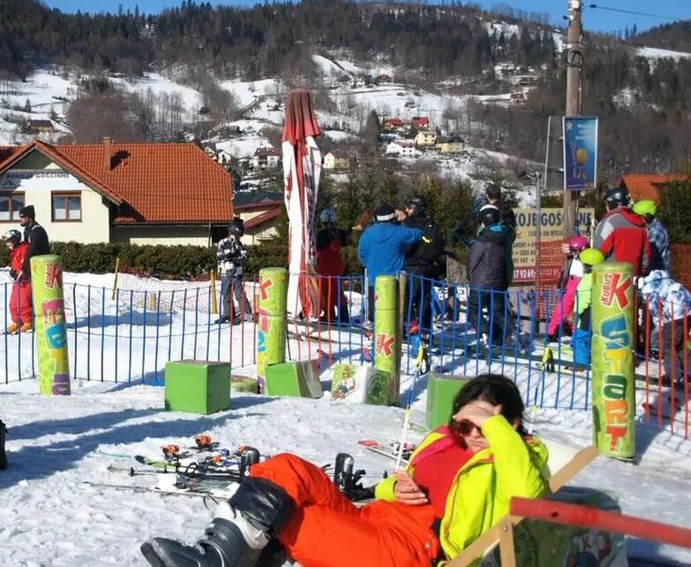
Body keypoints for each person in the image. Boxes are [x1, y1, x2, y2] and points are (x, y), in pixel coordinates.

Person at [140, 374, 548, 567]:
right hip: (374, 517)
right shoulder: (443, 438)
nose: (471, 433)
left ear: (510, 423)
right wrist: (393, 490)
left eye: (485, 424)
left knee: (299, 520)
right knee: (287, 469)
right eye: (465, 423)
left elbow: (528, 497)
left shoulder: (522, 455)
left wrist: (494, 429)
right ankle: (214, 557)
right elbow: (391, 486)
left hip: (413, 547)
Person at [357, 204, 422, 325]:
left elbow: (362, 257)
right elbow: (418, 234)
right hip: (397, 282)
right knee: (400, 316)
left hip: (374, 282)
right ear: (393, 217)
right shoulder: (399, 232)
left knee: (377, 318)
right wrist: (406, 219)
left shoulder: (366, 235)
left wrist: (371, 265)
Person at [637, 268, 691, 390]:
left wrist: (661, 327)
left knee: (667, 344)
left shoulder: (649, 288)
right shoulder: (669, 282)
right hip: (688, 312)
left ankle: (673, 375)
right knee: (681, 344)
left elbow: (655, 310)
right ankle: (688, 371)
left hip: (675, 314)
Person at [468, 208, 512, 346]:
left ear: (483, 222)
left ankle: (484, 330)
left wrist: (471, 276)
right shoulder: (504, 237)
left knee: (474, 310)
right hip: (498, 281)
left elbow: (472, 262)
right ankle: (511, 331)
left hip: (480, 283)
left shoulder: (481, 240)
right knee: (497, 312)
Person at [402, 195, 445, 336]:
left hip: (413, 265)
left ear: (416, 208)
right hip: (428, 267)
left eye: (409, 207)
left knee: (408, 301)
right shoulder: (431, 223)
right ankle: (426, 333)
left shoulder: (411, 224)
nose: (406, 210)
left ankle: (408, 331)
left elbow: (407, 247)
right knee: (424, 302)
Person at [593, 185, 649, 276]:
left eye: (606, 204)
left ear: (612, 203)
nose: (606, 207)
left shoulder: (609, 223)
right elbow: (646, 257)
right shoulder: (641, 224)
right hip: (633, 278)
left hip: (610, 280)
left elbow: (598, 253)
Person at [547, 235, 590, 340]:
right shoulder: (572, 259)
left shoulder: (586, 260)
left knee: (577, 310)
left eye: (575, 251)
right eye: (572, 251)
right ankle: (551, 333)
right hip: (571, 282)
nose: (573, 254)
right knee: (562, 308)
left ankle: (575, 334)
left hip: (581, 282)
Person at [315, 208, 349, 323]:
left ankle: (329, 314)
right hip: (337, 266)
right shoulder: (341, 233)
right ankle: (343, 314)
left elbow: (318, 249)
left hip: (324, 267)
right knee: (337, 291)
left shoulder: (321, 234)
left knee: (325, 291)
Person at [215, 220, 252, 324]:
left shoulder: (239, 244)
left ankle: (247, 314)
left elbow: (244, 255)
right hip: (225, 272)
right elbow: (219, 256)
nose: (238, 238)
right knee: (226, 294)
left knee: (239, 294)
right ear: (231, 233)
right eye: (236, 236)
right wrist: (229, 256)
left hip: (237, 273)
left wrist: (237, 256)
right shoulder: (223, 242)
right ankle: (228, 313)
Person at [4, 229, 33, 334]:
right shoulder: (16, 250)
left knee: (24, 302)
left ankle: (28, 322)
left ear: (14, 240)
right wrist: (13, 270)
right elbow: (16, 263)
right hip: (17, 280)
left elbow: (25, 263)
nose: (7, 244)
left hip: (25, 281)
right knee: (13, 303)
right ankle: (17, 321)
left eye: (8, 241)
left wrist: (21, 272)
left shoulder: (24, 248)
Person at [632, 199, 671, 273]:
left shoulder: (656, 231)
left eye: (637, 215)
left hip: (656, 274)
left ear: (646, 216)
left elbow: (649, 256)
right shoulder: (647, 228)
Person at [18, 205, 50, 281]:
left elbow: (31, 250)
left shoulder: (37, 231)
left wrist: (23, 269)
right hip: (33, 267)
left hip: (42, 268)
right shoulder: (27, 230)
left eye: (22, 217)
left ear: (30, 217)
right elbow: (25, 248)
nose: (20, 219)